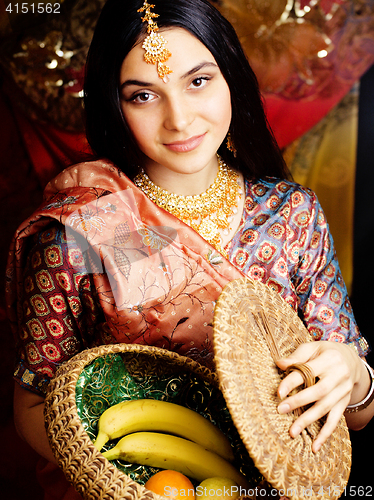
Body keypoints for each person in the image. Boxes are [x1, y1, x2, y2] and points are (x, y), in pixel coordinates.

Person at [6, 0, 373, 498]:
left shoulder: (291, 215)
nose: (179, 119)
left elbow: (357, 416)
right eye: (143, 96)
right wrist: (131, 483)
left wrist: (352, 373)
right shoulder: (82, 229)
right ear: (114, 104)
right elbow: (32, 406)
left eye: (198, 81)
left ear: (232, 80)